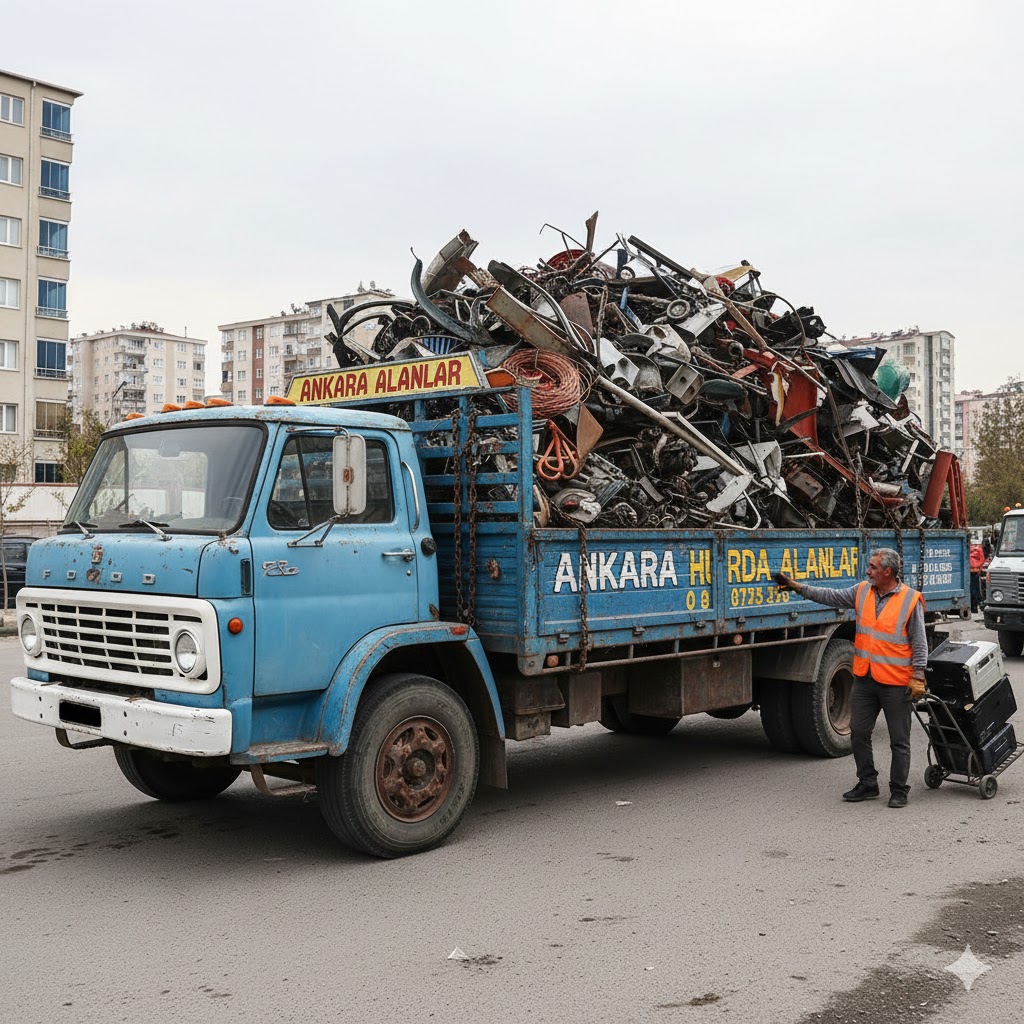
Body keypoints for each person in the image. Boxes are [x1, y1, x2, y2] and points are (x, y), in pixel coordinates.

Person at [774, 548, 926, 809]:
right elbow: (830, 596)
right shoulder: (862, 591)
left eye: (873, 567)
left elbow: (919, 642)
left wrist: (919, 674)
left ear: (887, 572)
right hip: (865, 678)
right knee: (858, 732)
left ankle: (899, 789)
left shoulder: (910, 600)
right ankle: (868, 783)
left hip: (896, 682)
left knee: (899, 740)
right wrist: (798, 588)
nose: (868, 571)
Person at [969, 543, 985, 613]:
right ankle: (976, 606)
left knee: (973, 590)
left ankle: (974, 607)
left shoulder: (968, 549)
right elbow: (982, 560)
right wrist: (978, 567)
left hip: (971, 572)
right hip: (975, 572)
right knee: (975, 590)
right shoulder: (979, 549)